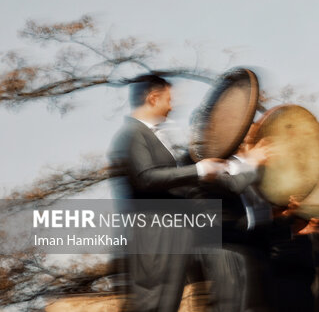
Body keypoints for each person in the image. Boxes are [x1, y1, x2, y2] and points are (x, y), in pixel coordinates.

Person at [107, 74, 268, 312]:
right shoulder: (132, 134)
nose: (172, 106)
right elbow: (146, 178)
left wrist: (224, 168)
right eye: (168, 99)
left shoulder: (151, 137)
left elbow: (181, 186)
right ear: (153, 98)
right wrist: (201, 170)